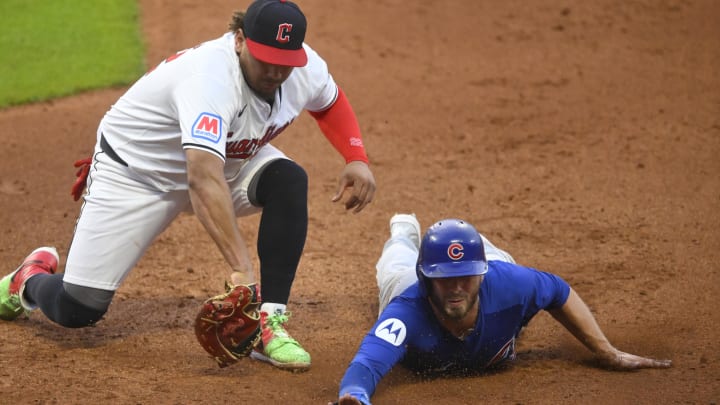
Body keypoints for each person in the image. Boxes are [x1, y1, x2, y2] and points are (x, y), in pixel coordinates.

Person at [0, 0, 375, 373]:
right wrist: (242, 270)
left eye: (285, 61)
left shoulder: (304, 67)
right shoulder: (208, 80)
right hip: (137, 174)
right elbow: (201, 177)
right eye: (265, 59)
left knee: (288, 180)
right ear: (240, 40)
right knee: (77, 308)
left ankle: (269, 322)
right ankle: (27, 280)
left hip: (226, 159)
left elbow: (329, 102)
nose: (276, 71)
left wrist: (355, 156)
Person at [332, 214, 671, 404]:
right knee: (394, 265)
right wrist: (354, 396)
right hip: (405, 279)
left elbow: (558, 291)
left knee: (500, 261)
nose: (456, 288)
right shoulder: (406, 312)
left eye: (466, 277)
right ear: (427, 278)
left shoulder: (508, 283)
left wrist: (606, 351)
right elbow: (367, 364)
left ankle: (480, 248)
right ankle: (404, 232)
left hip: (495, 270)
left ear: (480, 274)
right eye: (444, 279)